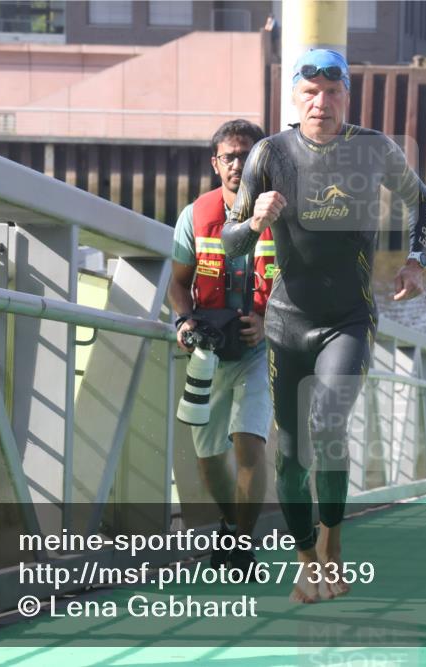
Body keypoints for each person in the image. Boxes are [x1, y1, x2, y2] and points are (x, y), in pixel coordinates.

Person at [222, 49, 426, 602]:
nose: (322, 102)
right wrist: (256, 220)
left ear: (347, 95)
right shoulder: (268, 154)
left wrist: (416, 261)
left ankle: (335, 548)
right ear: (294, 96)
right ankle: (307, 557)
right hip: (287, 324)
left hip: (349, 320)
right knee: (290, 456)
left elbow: (423, 201)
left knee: (327, 425)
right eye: (310, 92)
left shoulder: (374, 149)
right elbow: (229, 242)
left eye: (332, 91)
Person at [168, 119, 273, 572]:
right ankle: (233, 527)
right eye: (229, 156)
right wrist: (182, 319)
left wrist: (268, 323)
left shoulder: (282, 215)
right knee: (209, 456)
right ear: (215, 164)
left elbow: (301, 286)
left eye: (247, 155)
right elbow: (177, 282)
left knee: (248, 442)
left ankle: (241, 545)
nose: (237, 164)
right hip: (207, 351)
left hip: (260, 351)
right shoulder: (195, 216)